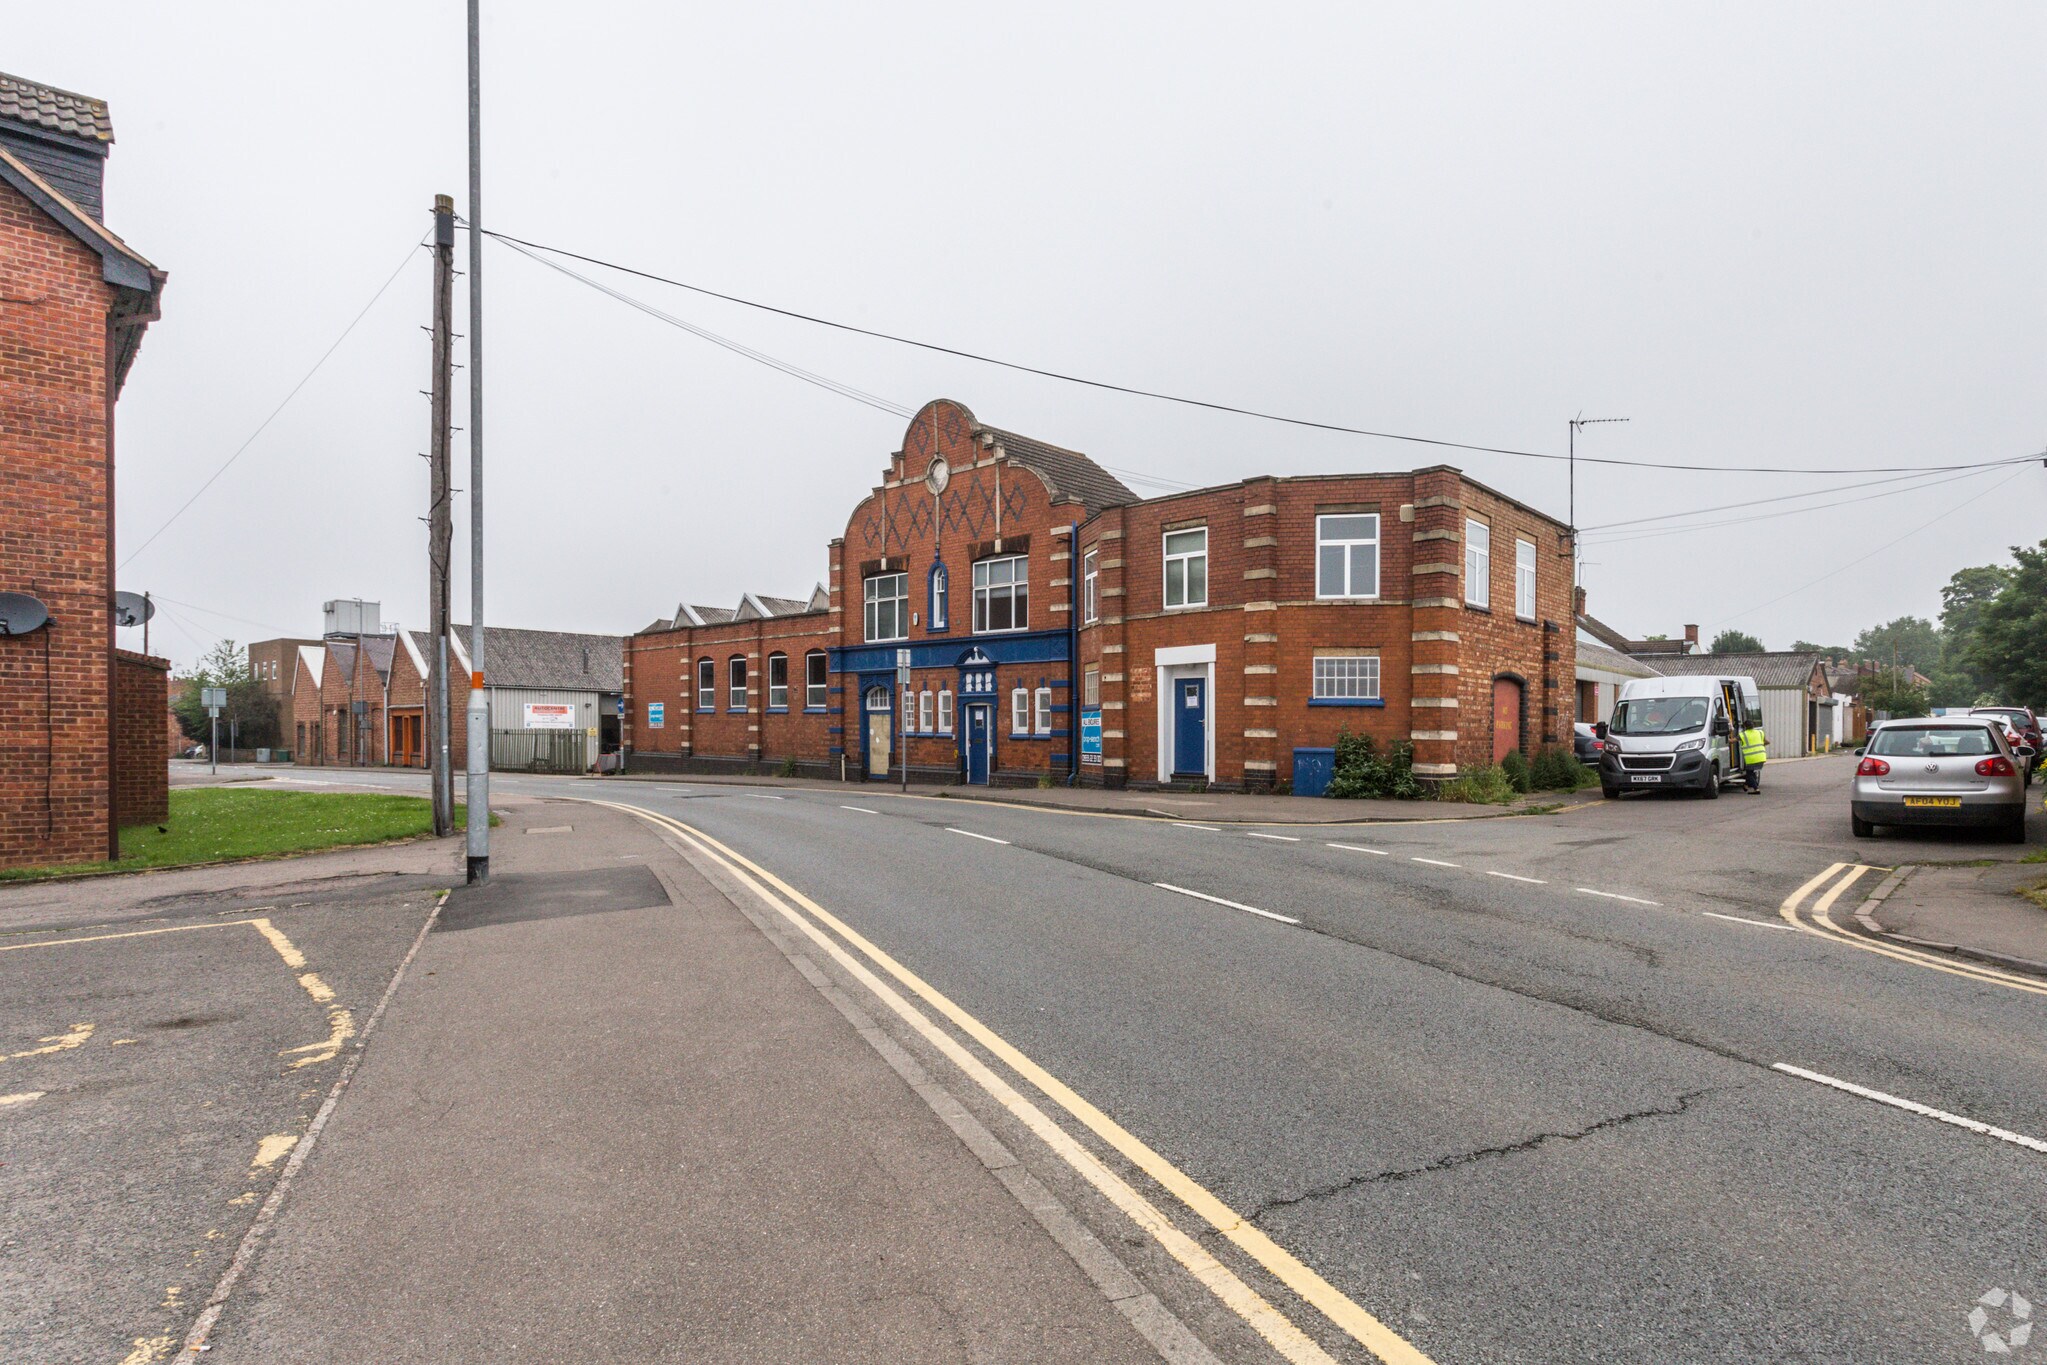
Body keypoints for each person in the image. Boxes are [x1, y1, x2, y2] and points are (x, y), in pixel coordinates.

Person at [1739, 718, 1768, 793]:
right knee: (1751, 772)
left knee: (1749, 774)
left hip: (1751, 758)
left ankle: (1756, 788)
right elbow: (1767, 742)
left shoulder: (1743, 734)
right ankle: (1746, 785)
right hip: (1761, 757)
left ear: (1745, 727)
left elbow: (1732, 741)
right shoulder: (1760, 732)